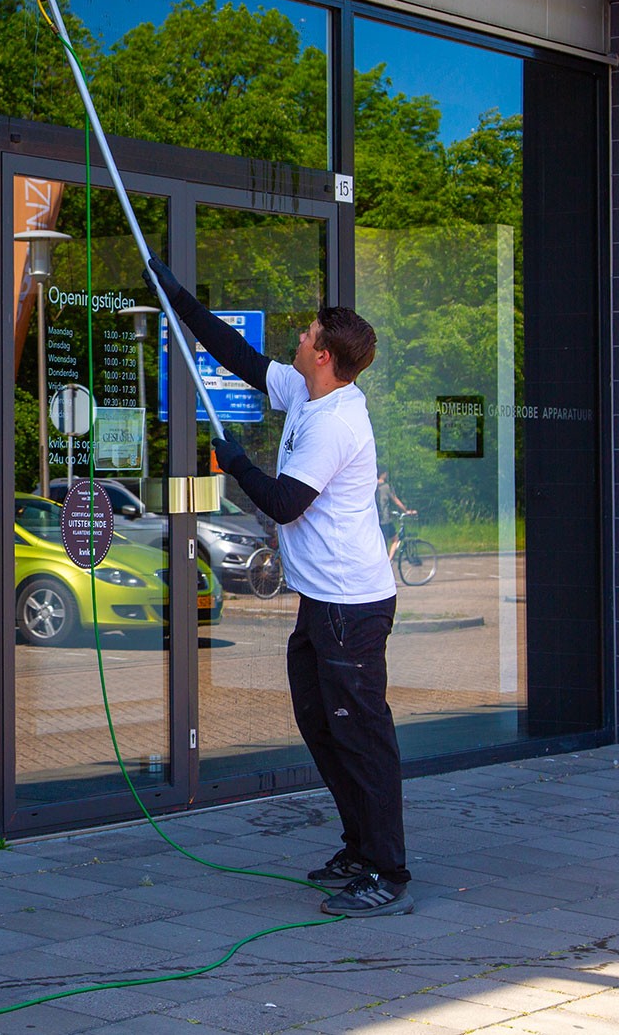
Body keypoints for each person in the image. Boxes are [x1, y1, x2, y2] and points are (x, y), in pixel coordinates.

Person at [145, 258, 413, 917]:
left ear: (324, 354)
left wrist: (233, 459)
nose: (297, 337)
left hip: (353, 606)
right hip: (323, 602)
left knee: (361, 734)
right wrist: (181, 298)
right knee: (323, 726)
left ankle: (388, 870)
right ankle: (358, 846)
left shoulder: (335, 422)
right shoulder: (308, 390)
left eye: (306, 333)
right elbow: (239, 356)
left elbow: (285, 502)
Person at [376, 471, 416, 565]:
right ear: (384, 474)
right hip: (384, 520)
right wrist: (406, 511)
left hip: (375, 520)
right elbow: (396, 501)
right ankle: (388, 562)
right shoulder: (386, 487)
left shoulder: (373, 486)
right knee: (395, 539)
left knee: (380, 545)